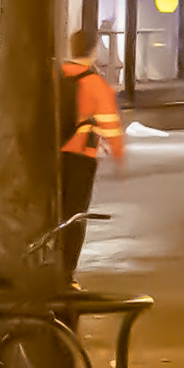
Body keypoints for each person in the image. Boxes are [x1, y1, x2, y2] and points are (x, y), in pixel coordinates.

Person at [54, 34, 124, 280]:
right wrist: (117, 154)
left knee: (52, 209)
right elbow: (110, 125)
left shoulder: (55, 75)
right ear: (93, 51)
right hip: (80, 156)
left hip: (51, 155)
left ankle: (46, 259)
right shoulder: (94, 83)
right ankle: (66, 269)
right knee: (74, 214)